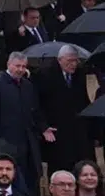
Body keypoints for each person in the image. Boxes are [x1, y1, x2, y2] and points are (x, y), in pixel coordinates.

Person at [0, 51, 54, 190]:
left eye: (23, 66)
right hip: (5, 141)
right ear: (9, 64)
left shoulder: (28, 86)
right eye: (17, 66)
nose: (20, 69)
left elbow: (35, 110)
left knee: (31, 179)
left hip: (28, 143)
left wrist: (43, 127)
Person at [34, 45, 94, 175]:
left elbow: (84, 99)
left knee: (81, 167)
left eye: (76, 60)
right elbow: (36, 104)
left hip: (78, 130)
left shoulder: (79, 73)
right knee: (60, 169)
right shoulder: (44, 74)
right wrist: (43, 127)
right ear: (59, 59)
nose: (73, 64)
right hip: (56, 131)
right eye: (70, 61)